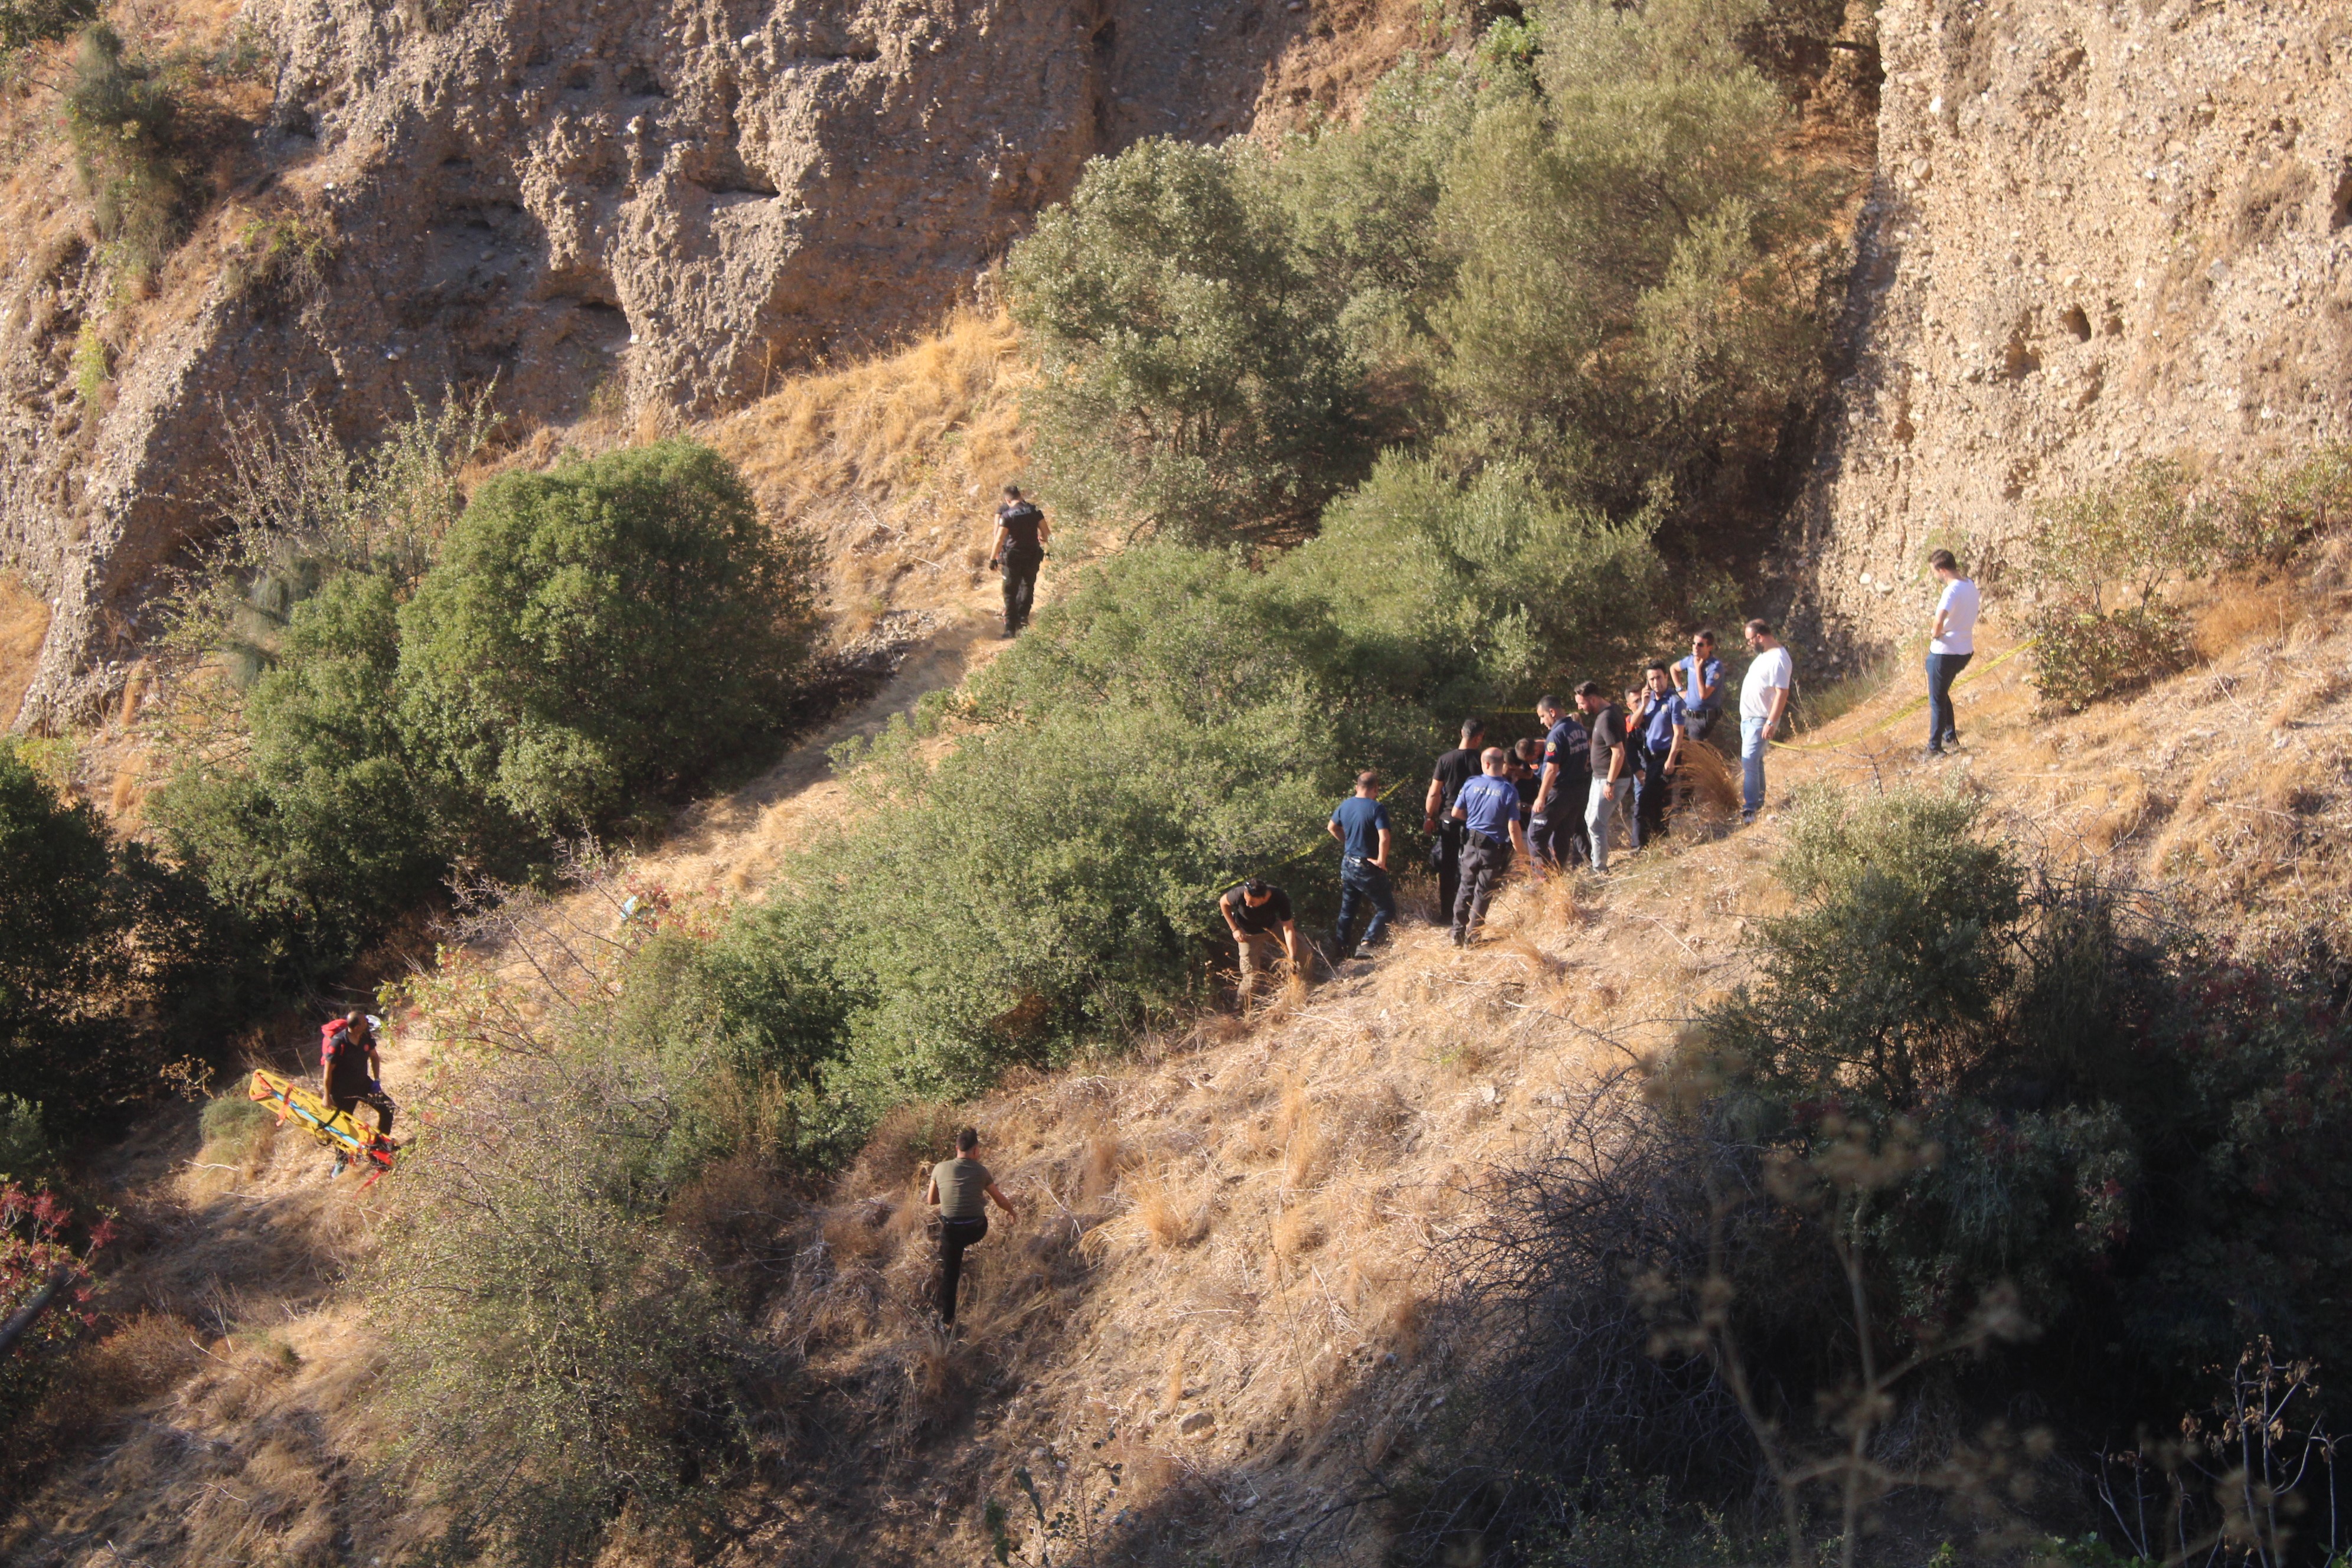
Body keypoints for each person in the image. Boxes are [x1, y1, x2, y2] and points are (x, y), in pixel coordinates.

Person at [926, 1126, 1018, 1329]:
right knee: (973, 1222)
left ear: (956, 1148)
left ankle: (947, 1322)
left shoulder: (940, 1168)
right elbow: (999, 1200)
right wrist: (1012, 1212)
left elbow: (931, 1200)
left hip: (952, 1231)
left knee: (950, 1273)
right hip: (977, 1228)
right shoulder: (981, 1171)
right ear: (976, 1151)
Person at [1450, 747, 1530, 945]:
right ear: (1502, 764)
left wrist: (1475, 820)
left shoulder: (1471, 784)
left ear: (1485, 764)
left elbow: (1456, 813)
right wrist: (1523, 855)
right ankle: (1473, 936)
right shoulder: (1508, 790)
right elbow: (1513, 828)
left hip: (1471, 845)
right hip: (1493, 848)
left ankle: (1456, 933)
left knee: (1465, 889)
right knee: (1483, 893)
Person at [1424, 720, 1487, 925]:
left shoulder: (1445, 760)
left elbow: (1434, 793)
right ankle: (1469, 912)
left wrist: (1429, 817)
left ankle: (1446, 914)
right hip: (1475, 820)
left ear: (1462, 732)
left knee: (1448, 867)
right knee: (1473, 866)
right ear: (1480, 737)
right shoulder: (1482, 760)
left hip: (1449, 819)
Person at [1327, 771, 1395, 959]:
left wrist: (1348, 842)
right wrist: (1382, 860)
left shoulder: (1345, 805)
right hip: (1368, 867)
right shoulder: (1377, 808)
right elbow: (1384, 837)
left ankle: (1340, 952)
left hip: (1348, 864)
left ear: (1357, 787)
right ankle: (1367, 943)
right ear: (1375, 789)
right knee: (1386, 909)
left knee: (1348, 910)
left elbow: (1331, 827)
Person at [319, 1010, 395, 1176]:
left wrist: (376, 1081)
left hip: (363, 1085)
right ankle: (341, 1161)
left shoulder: (366, 1037)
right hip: (342, 1091)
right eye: (364, 1022)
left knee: (388, 1107)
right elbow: (328, 1073)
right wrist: (327, 1095)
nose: (367, 1023)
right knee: (343, 1127)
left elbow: (374, 1057)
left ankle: (379, 1150)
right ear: (356, 1026)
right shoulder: (338, 1043)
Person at [1925, 549, 1979, 757]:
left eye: (1935, 572)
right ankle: (1951, 738)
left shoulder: (1951, 591)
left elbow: (1939, 619)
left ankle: (1934, 748)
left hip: (1944, 651)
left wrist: (1935, 633)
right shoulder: (1970, 585)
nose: (1935, 577)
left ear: (1943, 570)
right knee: (1942, 693)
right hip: (1964, 649)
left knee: (1936, 701)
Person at [1739, 619, 1794, 824]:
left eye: (1750, 640)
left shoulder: (1779, 658)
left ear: (1759, 637)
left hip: (1761, 720)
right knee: (1755, 762)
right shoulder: (1764, 656)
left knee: (1749, 761)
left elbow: (1783, 693)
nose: (1749, 644)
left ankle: (1750, 809)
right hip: (1749, 719)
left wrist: (1771, 722)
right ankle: (1758, 802)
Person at [1577, 682, 1634, 873]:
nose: (1580, 708)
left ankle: (1600, 868)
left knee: (1596, 823)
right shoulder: (1611, 710)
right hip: (1599, 777)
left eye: (1582, 703)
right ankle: (1596, 862)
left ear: (1593, 699)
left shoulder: (1607, 718)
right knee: (1589, 818)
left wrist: (1610, 783)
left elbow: (1618, 753)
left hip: (1611, 780)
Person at [1220, 878, 1302, 1008]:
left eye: (1252, 902)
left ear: (1264, 898)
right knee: (1251, 979)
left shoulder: (1279, 897)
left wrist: (1293, 957)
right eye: (1246, 900)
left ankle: (1304, 987)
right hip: (1248, 934)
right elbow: (1223, 902)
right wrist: (1235, 929)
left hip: (1272, 927)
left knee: (1303, 952)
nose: (1247, 904)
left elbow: (1288, 929)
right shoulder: (1239, 893)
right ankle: (1240, 1009)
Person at [1531, 695, 1591, 873]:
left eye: (1543, 716)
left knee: (1535, 833)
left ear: (1552, 712)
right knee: (1563, 835)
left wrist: (1541, 798)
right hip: (1579, 791)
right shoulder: (1579, 728)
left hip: (1561, 792)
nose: (1542, 722)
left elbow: (1551, 770)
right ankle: (1558, 873)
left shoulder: (1556, 735)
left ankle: (1543, 877)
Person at [988, 485, 1050, 638]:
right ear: (1020, 495)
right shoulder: (1034, 510)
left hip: (1013, 557)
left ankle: (1010, 628)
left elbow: (999, 539)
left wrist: (993, 559)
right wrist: (1047, 545)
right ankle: (1023, 619)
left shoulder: (1008, 516)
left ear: (1007, 500)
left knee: (1010, 592)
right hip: (1032, 555)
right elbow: (1046, 533)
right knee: (1027, 586)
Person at [1634, 661, 1684, 843]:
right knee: (1655, 801)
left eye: (1659, 678)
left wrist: (1671, 760)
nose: (1656, 683)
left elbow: (1679, 733)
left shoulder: (1674, 701)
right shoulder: (1648, 702)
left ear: (1666, 677)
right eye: (1652, 679)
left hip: (1666, 756)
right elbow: (1634, 723)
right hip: (1650, 758)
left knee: (1647, 799)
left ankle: (1649, 839)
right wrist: (1643, 704)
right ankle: (1661, 837)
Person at [1673, 630, 1726, 743]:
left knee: (1694, 753)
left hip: (1702, 719)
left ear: (1709, 648)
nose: (1696, 647)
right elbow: (1673, 669)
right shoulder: (1691, 659)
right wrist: (1679, 690)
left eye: (1700, 645)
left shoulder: (1715, 667)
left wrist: (1698, 669)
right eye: (1694, 643)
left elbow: (1703, 695)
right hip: (1687, 715)